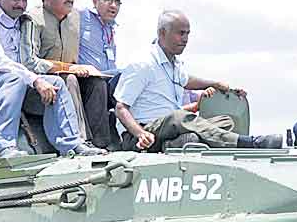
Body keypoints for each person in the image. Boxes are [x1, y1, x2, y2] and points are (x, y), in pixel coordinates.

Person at [0, 0, 106, 159]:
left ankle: (71, 144)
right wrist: (35, 80)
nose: (21, 4)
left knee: (56, 83)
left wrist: (38, 80)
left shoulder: (19, 20)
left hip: (19, 83)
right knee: (14, 80)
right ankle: (4, 147)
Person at [114, 10, 283, 152]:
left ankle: (176, 144)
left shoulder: (174, 64)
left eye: (187, 34)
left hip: (170, 130)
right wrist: (140, 134)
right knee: (179, 117)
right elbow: (121, 108)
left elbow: (187, 80)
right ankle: (250, 143)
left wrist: (215, 84)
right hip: (143, 134)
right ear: (162, 33)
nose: (185, 39)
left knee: (225, 122)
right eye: (180, 33)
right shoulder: (143, 64)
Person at [19, 0, 111, 148]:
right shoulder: (32, 19)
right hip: (39, 87)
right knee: (68, 79)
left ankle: (102, 144)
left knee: (97, 84)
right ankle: (79, 141)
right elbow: (28, 62)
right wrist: (66, 68)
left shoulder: (76, 17)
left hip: (72, 80)